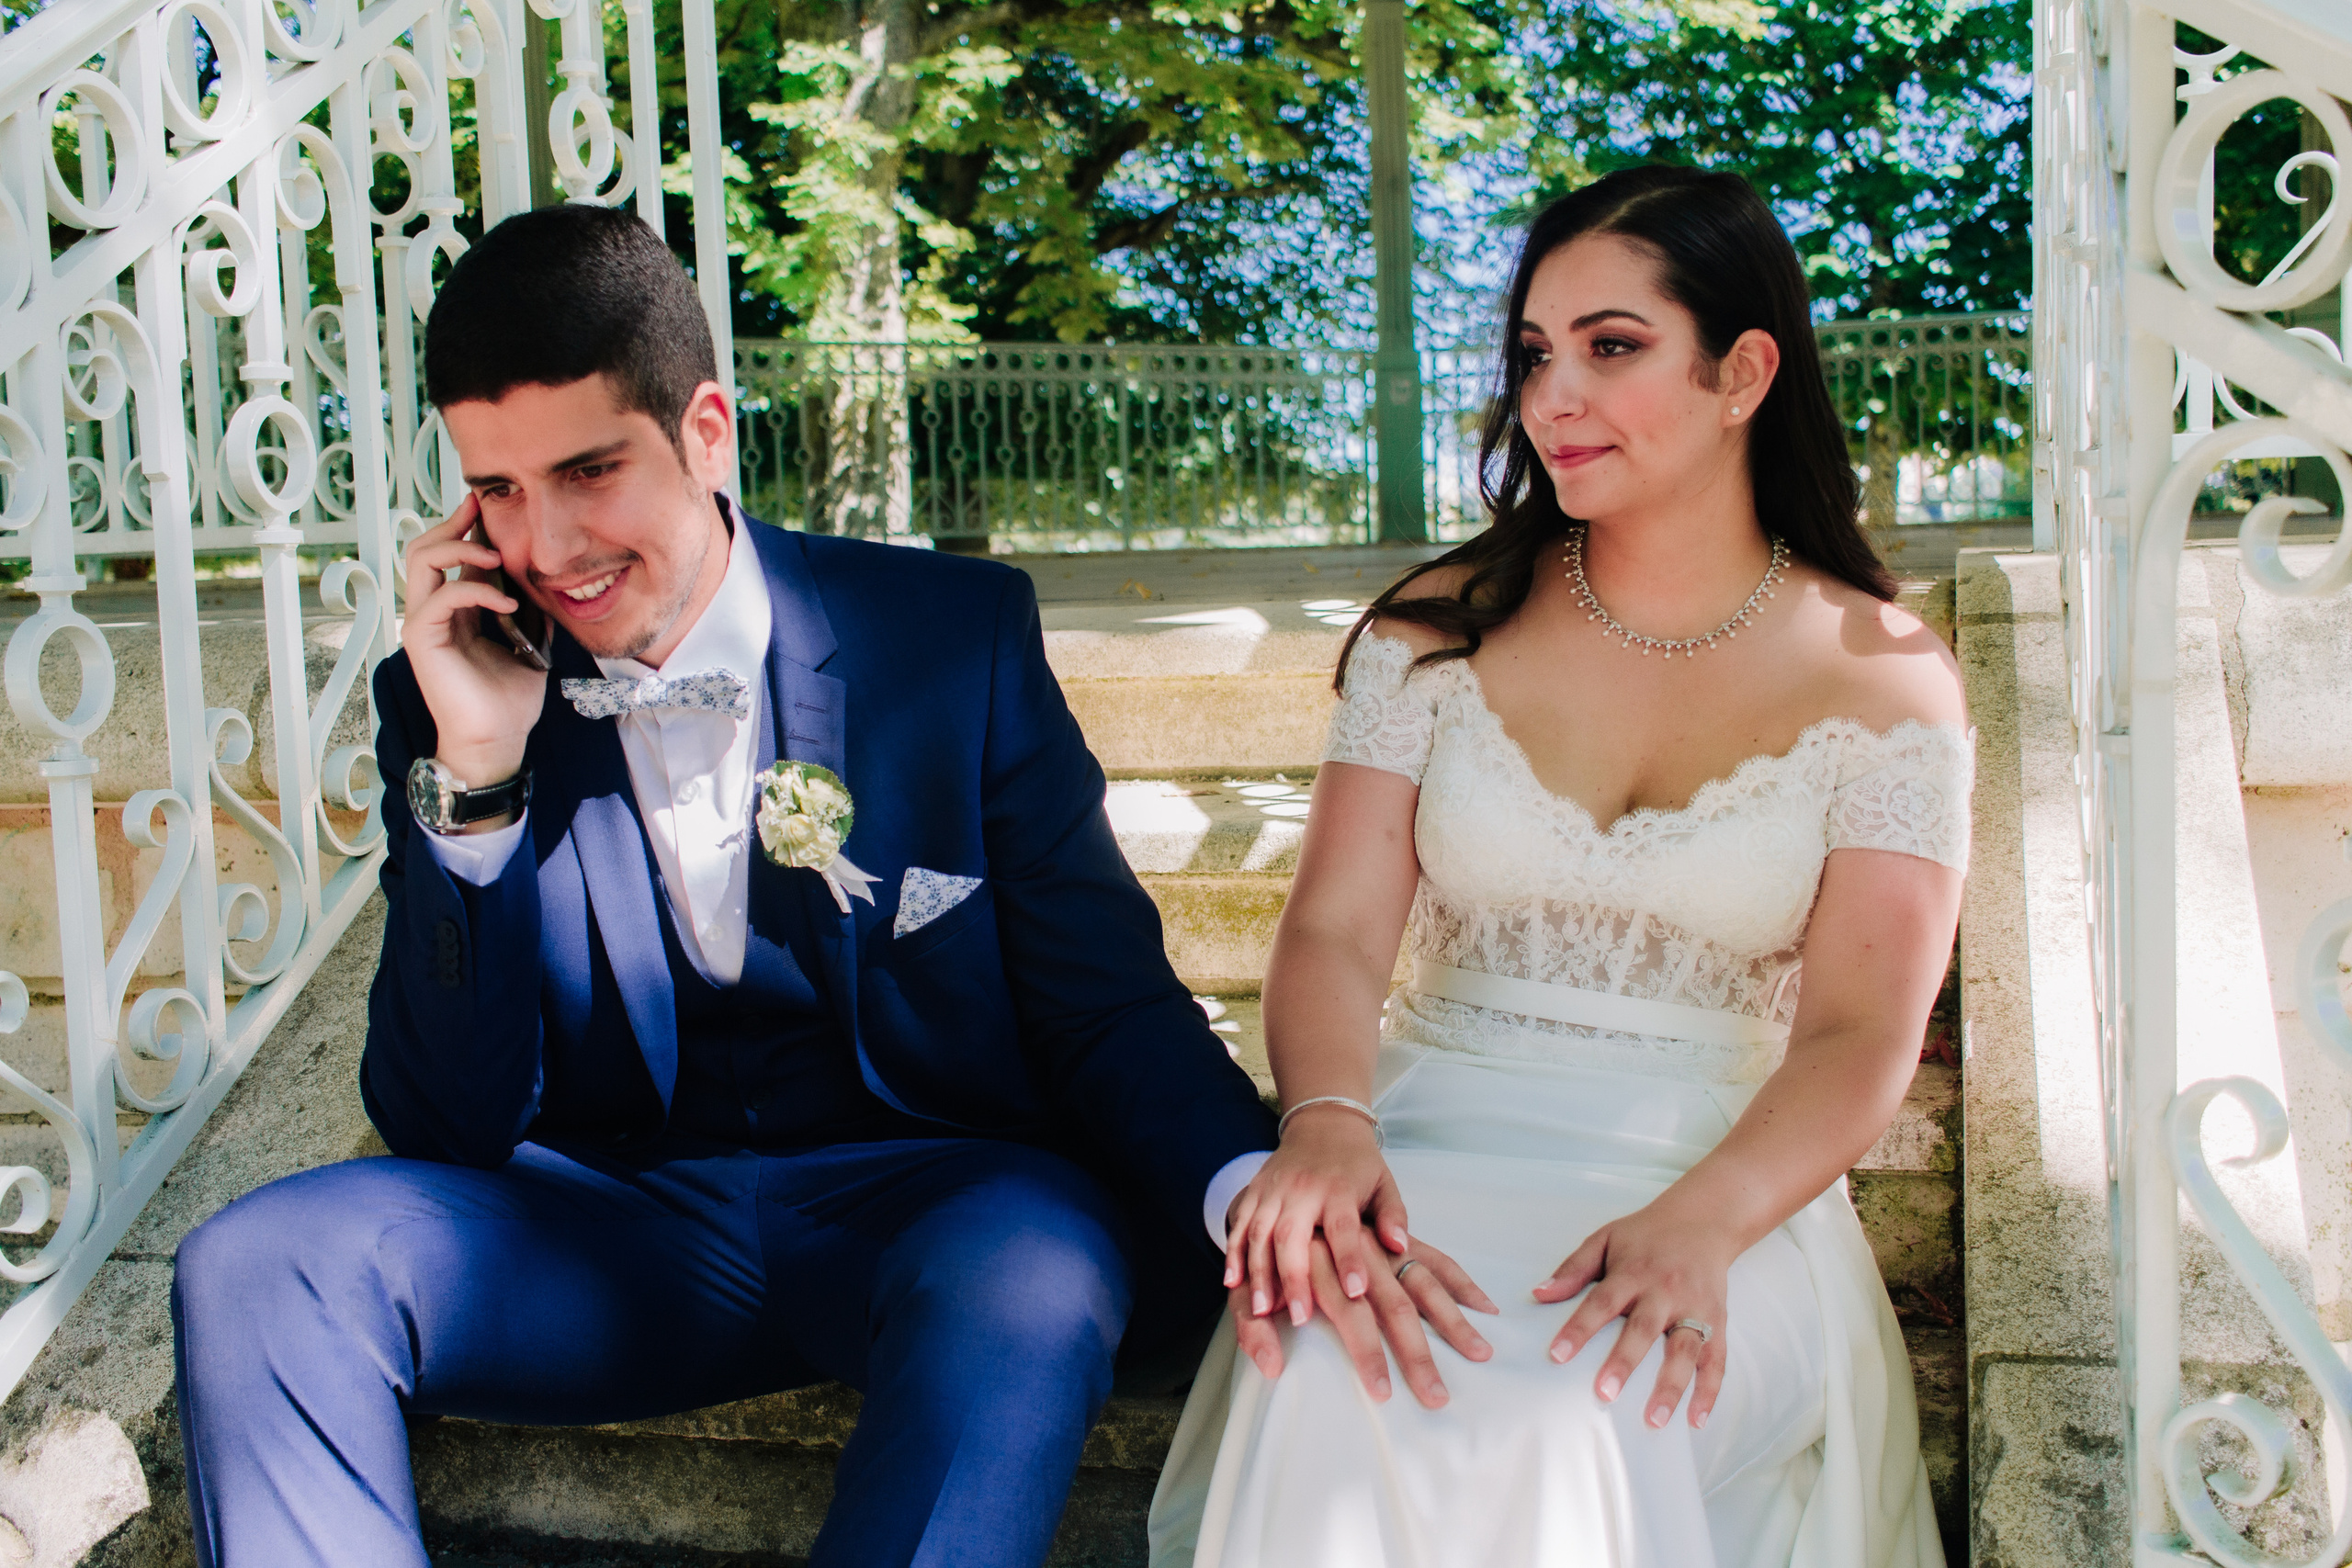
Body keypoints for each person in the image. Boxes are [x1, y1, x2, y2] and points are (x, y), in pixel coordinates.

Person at [169, 203, 1302, 1568]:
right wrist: (477, 772)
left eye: (589, 472)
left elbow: (1102, 1002)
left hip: (935, 1211)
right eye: (499, 490)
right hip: (611, 1230)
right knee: (254, 1267)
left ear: (706, 432)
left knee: (1034, 1266)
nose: (545, 546)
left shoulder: (952, 640)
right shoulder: (457, 690)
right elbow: (442, 1121)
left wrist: (1248, 1186)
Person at [1148, 164, 1969, 1568]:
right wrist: (1328, 1124)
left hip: (1719, 1180)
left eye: (1613, 347)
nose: (1552, 398)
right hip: (1426, 1145)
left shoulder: (1888, 686)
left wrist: (1701, 1224)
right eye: (1535, 353)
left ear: (1744, 371)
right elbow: (1337, 930)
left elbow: (1855, 1035)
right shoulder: (1430, 634)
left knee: (1579, 1408)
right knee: (1346, 1371)